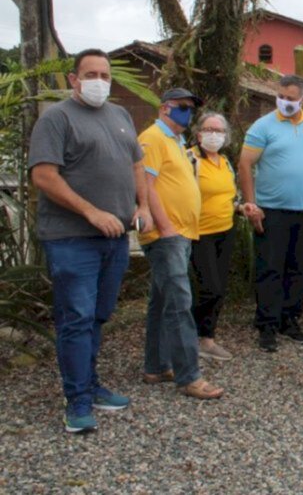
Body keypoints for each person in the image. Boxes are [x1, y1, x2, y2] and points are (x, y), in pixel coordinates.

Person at [28, 49, 153, 433]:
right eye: (91, 74)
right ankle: (77, 401)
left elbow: (135, 164)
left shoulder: (119, 116)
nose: (99, 80)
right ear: (73, 79)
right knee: (76, 318)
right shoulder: (56, 118)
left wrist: (143, 205)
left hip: (115, 237)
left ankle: (92, 384)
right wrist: (90, 212)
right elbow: (44, 176)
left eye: (105, 74)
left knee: (98, 315)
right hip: (73, 238)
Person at [138, 88, 224, 400]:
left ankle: (156, 366)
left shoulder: (175, 142)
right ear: (164, 108)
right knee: (179, 304)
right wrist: (166, 227)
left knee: (161, 302)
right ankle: (190, 376)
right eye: (183, 107)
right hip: (167, 235)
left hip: (182, 233)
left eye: (191, 108)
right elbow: (145, 187)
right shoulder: (152, 138)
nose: (188, 113)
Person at [239, 75, 303, 352]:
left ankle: (290, 320)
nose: (286, 102)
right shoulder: (263, 126)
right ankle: (266, 325)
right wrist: (252, 206)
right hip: (271, 211)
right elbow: (244, 164)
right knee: (270, 269)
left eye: (292, 98)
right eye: (282, 97)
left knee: (300, 268)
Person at [188, 111, 238, 362]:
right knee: (208, 287)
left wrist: (242, 206)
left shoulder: (226, 162)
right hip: (199, 233)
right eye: (209, 129)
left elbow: (229, 194)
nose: (214, 135)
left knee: (219, 288)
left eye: (219, 131)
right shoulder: (190, 159)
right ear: (198, 134)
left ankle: (208, 339)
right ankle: (192, 336)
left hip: (225, 230)